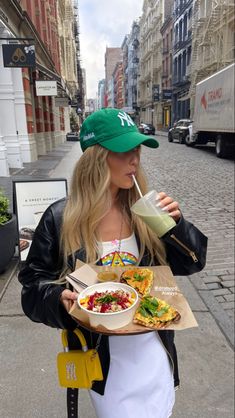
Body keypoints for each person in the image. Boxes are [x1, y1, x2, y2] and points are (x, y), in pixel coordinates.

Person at [18, 108, 208, 418]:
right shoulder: (59, 218)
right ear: (97, 157)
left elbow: (193, 262)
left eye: (137, 149)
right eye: (124, 150)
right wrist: (57, 300)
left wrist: (176, 226)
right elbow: (31, 288)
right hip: (105, 364)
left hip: (155, 353)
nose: (135, 158)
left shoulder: (146, 210)